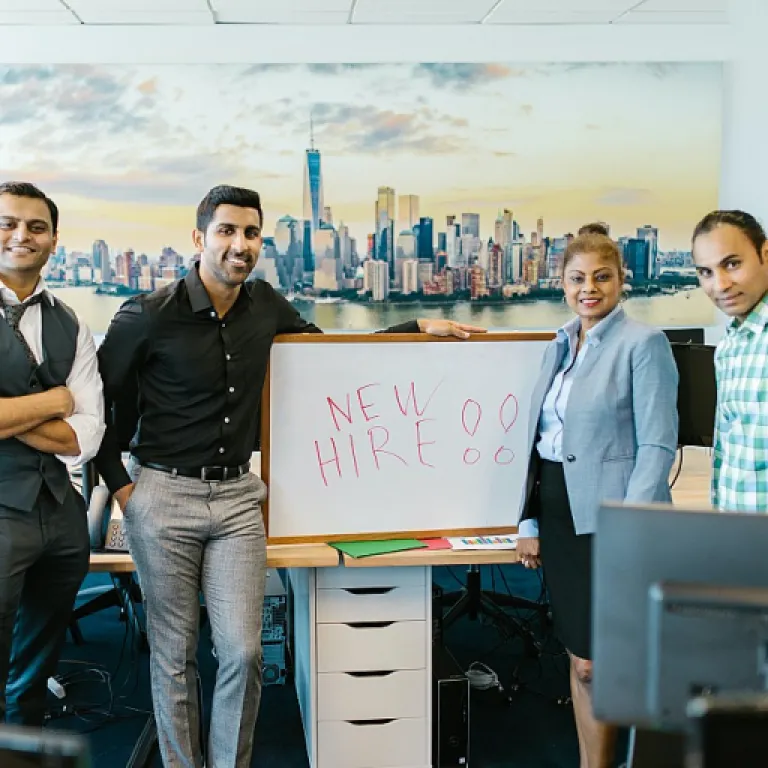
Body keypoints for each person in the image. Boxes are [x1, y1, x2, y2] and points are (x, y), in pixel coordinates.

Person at [95, 184, 483, 768]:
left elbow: (331, 363)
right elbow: (99, 406)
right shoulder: (147, 316)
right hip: (163, 495)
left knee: (243, 652)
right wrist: (127, 491)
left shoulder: (266, 305)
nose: (240, 244)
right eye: (227, 231)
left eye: (251, 233)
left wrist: (415, 327)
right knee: (175, 655)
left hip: (236, 498)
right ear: (199, 238)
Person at [515, 233, 678, 768]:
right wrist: (528, 521)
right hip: (558, 512)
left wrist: (629, 527)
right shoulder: (559, 344)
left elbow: (657, 445)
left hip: (612, 519)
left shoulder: (643, 343)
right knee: (580, 657)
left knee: (601, 662)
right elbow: (539, 443)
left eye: (601, 277)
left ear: (620, 280)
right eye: (578, 278)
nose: (589, 288)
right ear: (562, 284)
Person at [0, 182, 105, 725]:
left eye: (36, 226)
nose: (22, 235)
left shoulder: (71, 322)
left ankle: (21, 742)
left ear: (54, 240)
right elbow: (68, 409)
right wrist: (52, 402)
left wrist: (10, 416)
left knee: (35, 664)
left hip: (59, 512)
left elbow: (87, 435)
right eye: (8, 223)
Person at [690, 210, 768, 512]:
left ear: (765, 254)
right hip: (738, 531)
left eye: (732, 264)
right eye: (705, 272)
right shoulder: (729, 347)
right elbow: (729, 456)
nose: (720, 284)